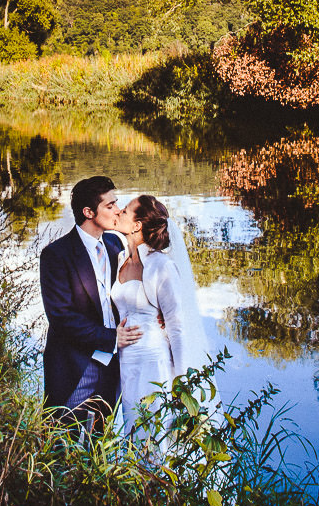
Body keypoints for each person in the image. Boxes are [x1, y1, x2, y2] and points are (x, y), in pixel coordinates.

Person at [39, 175, 142, 434]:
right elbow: (61, 317)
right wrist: (110, 338)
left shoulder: (114, 244)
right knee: (62, 444)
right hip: (76, 366)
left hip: (114, 366)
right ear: (88, 212)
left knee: (99, 443)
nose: (118, 210)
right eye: (110, 206)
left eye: (116, 204)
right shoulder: (56, 255)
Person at [111, 194, 216, 444]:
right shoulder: (120, 260)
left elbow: (177, 328)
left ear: (137, 225)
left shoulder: (161, 266)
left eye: (124, 211)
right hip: (125, 363)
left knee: (156, 437)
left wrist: (182, 383)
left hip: (153, 363)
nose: (118, 213)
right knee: (133, 434)